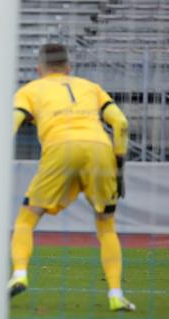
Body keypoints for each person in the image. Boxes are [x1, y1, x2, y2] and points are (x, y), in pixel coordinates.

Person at [8, 43, 135, 312]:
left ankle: (19, 274)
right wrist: (119, 167)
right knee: (106, 226)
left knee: (27, 218)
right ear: (68, 67)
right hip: (100, 150)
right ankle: (115, 294)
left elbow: (13, 122)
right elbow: (121, 122)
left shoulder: (30, 90)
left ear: (39, 69)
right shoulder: (90, 86)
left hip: (60, 148)